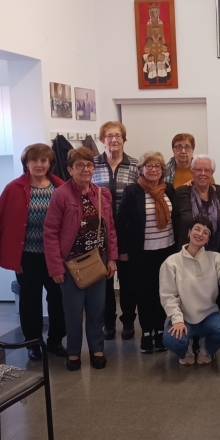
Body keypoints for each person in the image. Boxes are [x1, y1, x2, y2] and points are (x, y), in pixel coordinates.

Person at [0, 144, 67, 361]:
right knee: (29, 300)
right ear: (26, 163)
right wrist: (4, 255)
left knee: (58, 299)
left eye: (44, 161)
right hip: (27, 257)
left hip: (55, 257)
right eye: (34, 161)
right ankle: (33, 343)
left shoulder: (60, 187)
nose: (39, 165)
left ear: (50, 163)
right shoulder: (13, 189)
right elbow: (0, 222)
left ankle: (56, 340)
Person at [44, 147, 118, 371]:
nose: (85, 169)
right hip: (71, 265)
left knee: (97, 310)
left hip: (98, 261)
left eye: (89, 165)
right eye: (80, 166)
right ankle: (74, 353)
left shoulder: (102, 193)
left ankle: (97, 350)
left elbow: (110, 229)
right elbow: (50, 233)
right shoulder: (60, 195)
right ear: (70, 169)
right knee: (73, 312)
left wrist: (112, 258)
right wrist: (56, 267)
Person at [160, 217, 220, 365]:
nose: (200, 234)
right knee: (172, 340)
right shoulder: (171, 262)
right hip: (184, 318)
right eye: (197, 229)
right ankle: (185, 350)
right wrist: (177, 320)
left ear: (208, 239)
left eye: (205, 232)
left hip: (208, 317)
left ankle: (206, 349)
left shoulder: (216, 258)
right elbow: (168, 296)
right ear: (189, 232)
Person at [116, 152, 176, 356]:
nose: (153, 169)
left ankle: (160, 331)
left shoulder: (169, 190)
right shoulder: (132, 191)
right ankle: (147, 333)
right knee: (143, 294)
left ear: (163, 170)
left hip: (166, 250)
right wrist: (122, 251)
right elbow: (120, 223)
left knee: (162, 293)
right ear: (141, 168)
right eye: (148, 166)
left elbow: (176, 218)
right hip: (140, 253)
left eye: (157, 166)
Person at [92, 121, 138, 341]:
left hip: (127, 232)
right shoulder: (91, 165)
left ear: (124, 139)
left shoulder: (136, 166)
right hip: (99, 232)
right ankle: (107, 322)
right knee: (104, 280)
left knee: (128, 280)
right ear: (102, 140)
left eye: (118, 136)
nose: (114, 140)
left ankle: (128, 320)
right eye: (109, 136)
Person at [173, 155, 220, 253]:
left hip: (218, 254)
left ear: (212, 173)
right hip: (188, 253)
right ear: (192, 172)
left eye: (207, 170)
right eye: (198, 170)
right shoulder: (181, 193)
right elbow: (174, 223)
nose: (203, 173)